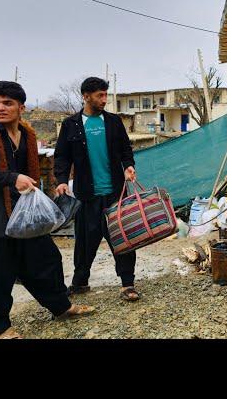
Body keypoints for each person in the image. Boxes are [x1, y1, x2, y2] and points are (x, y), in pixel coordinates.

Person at [0, 81, 94, 339]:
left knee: (45, 261)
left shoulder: (27, 134)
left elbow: (33, 172)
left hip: (25, 216)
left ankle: (61, 306)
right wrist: (11, 178)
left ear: (21, 107)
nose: (0, 108)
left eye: (7, 103)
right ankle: (0, 327)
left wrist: (55, 188)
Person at [54, 77, 140, 302]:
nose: (104, 99)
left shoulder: (113, 122)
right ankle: (80, 282)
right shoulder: (71, 124)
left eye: (105, 95)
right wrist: (61, 180)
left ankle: (127, 283)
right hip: (87, 195)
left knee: (122, 239)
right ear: (85, 96)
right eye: (99, 95)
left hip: (115, 194)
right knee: (84, 242)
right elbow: (62, 156)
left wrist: (129, 166)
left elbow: (125, 150)